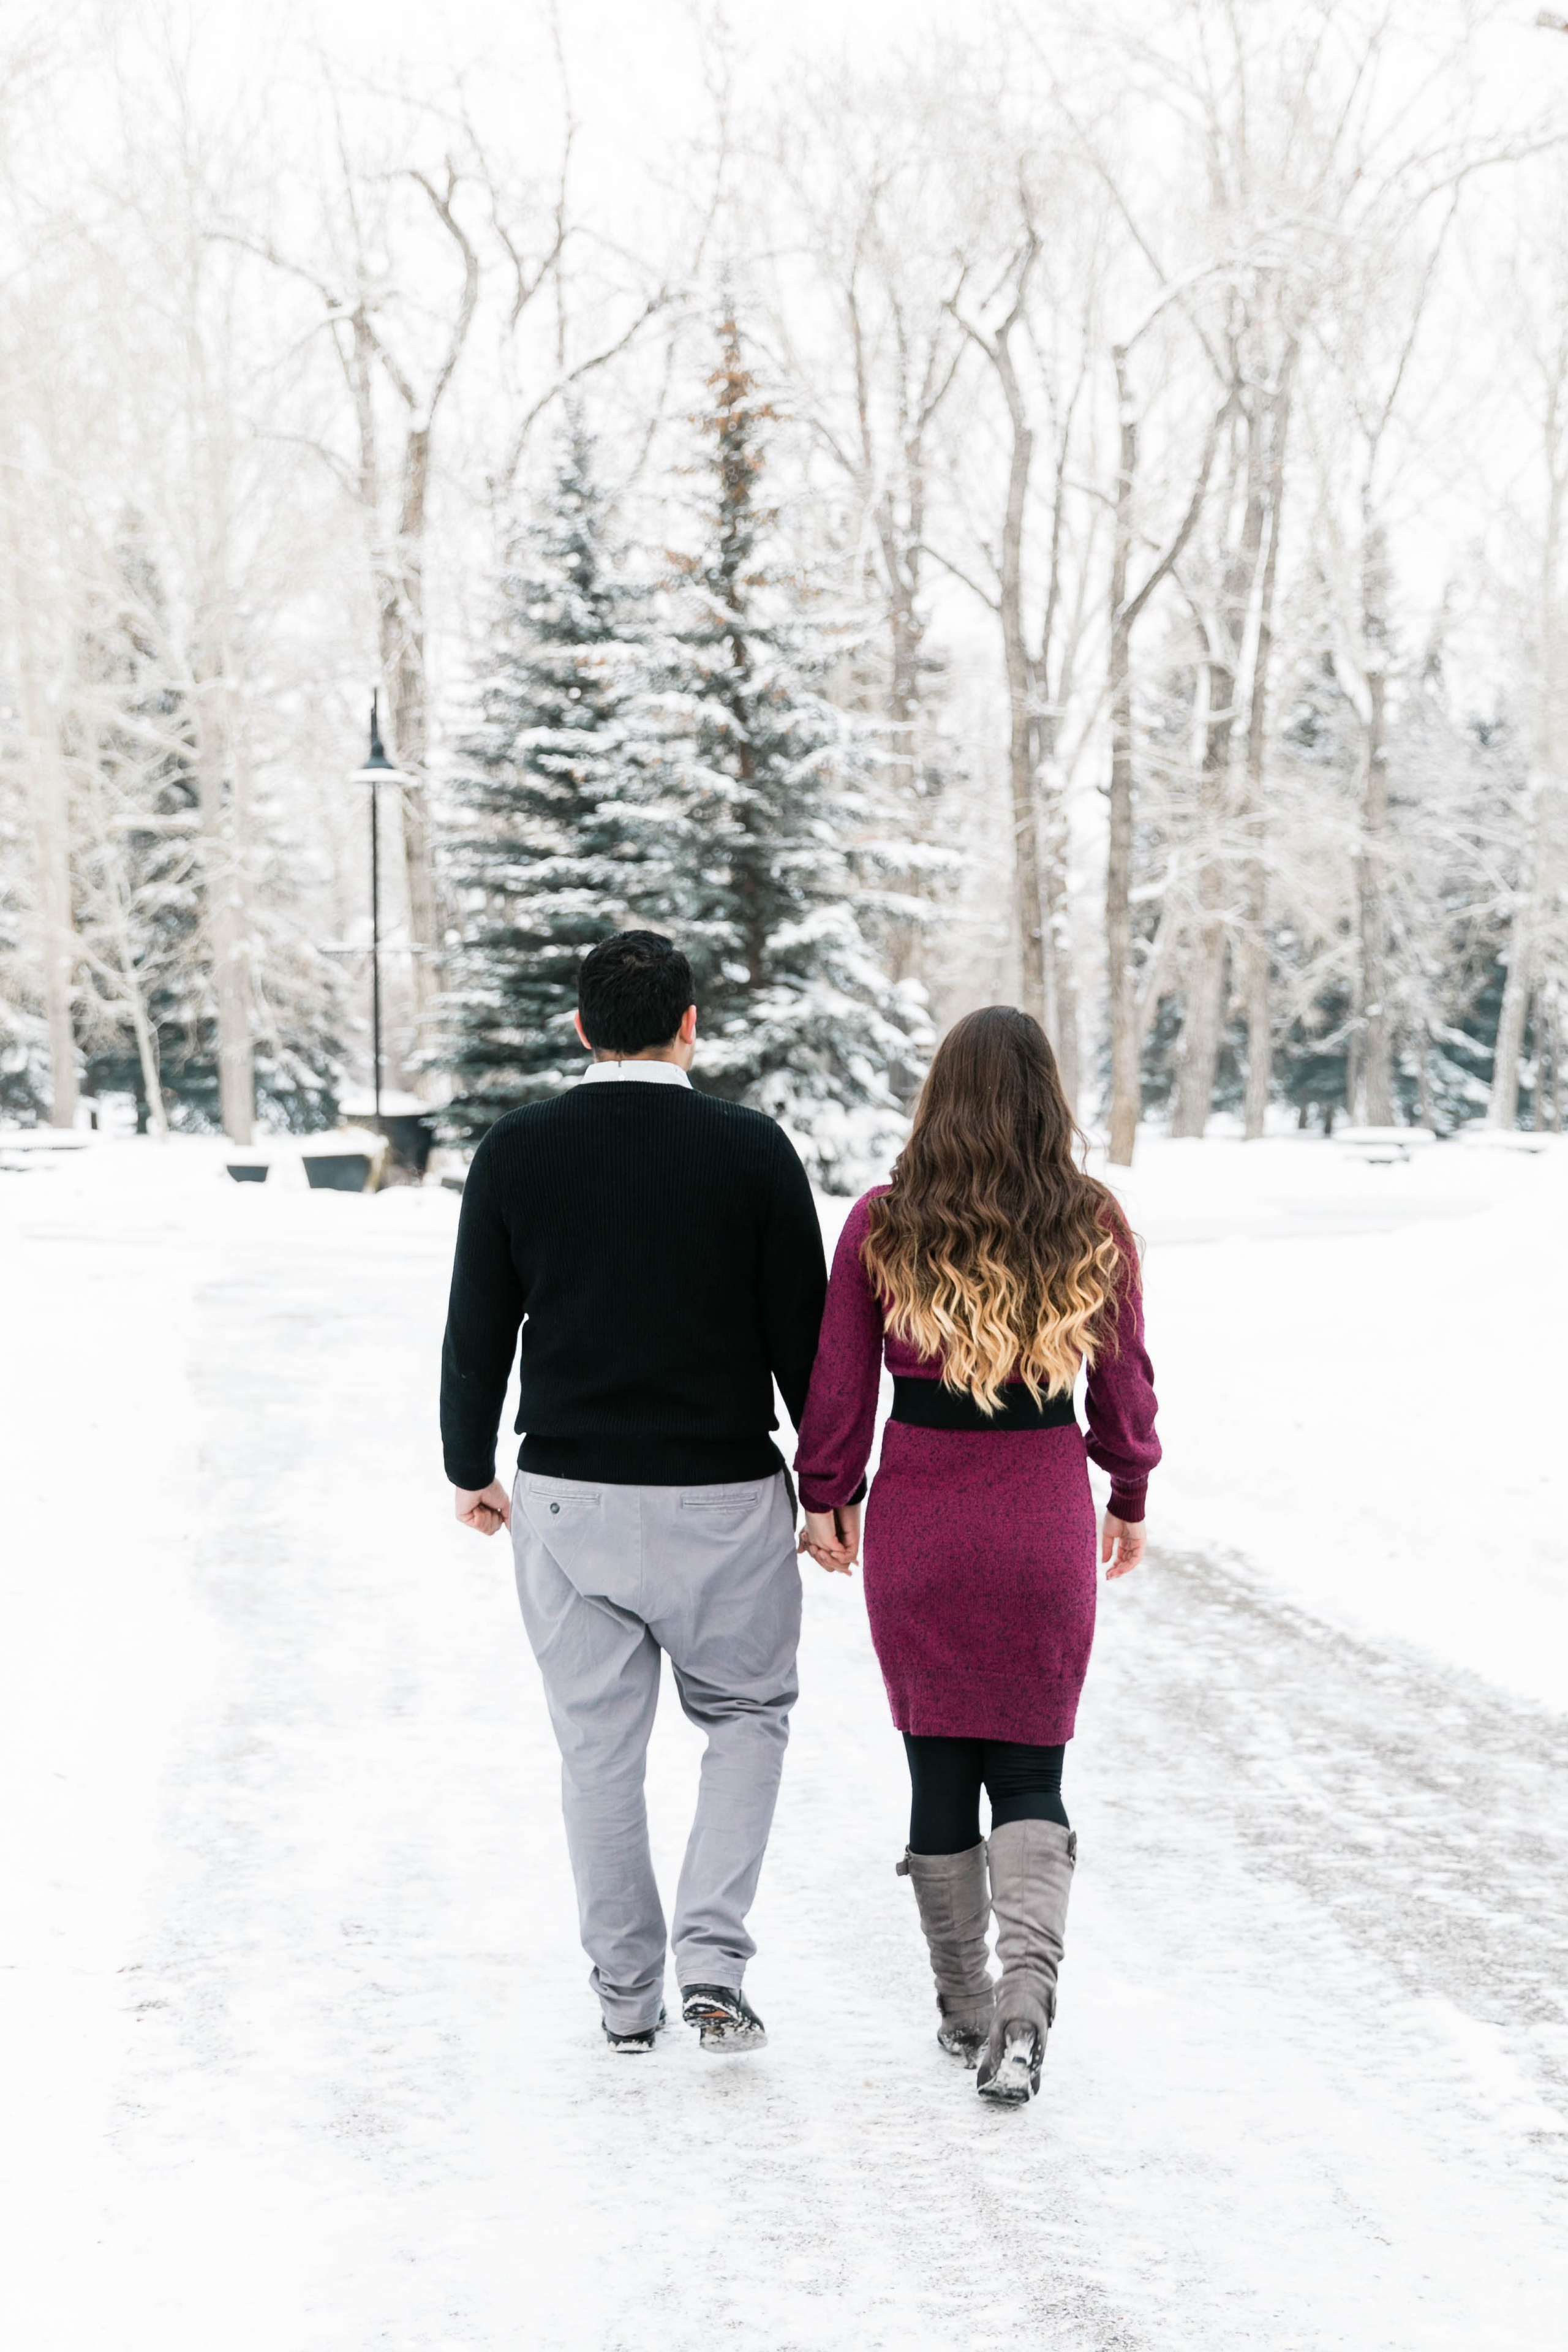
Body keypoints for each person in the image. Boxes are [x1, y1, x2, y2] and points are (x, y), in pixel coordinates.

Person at [440, 930, 826, 2057]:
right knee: (748, 1717)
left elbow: (477, 1331)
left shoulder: (518, 1151)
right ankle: (713, 1959)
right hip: (724, 1494)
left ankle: (624, 1998)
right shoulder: (754, 1152)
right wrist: (835, 1483)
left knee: (598, 1750)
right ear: (691, 1024)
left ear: (580, 1030)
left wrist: (470, 1468)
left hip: (568, 1499)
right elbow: (804, 1343)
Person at [792, 1006, 1159, 2105]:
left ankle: (963, 2014)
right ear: (1049, 1099)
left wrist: (828, 1496)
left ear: (938, 1099)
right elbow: (1125, 1387)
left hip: (924, 1526)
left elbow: (837, 1387)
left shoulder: (884, 1223)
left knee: (937, 1768)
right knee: (1033, 1771)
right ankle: (1026, 2006)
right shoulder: (1093, 1221)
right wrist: (1128, 1489)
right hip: (1041, 1514)